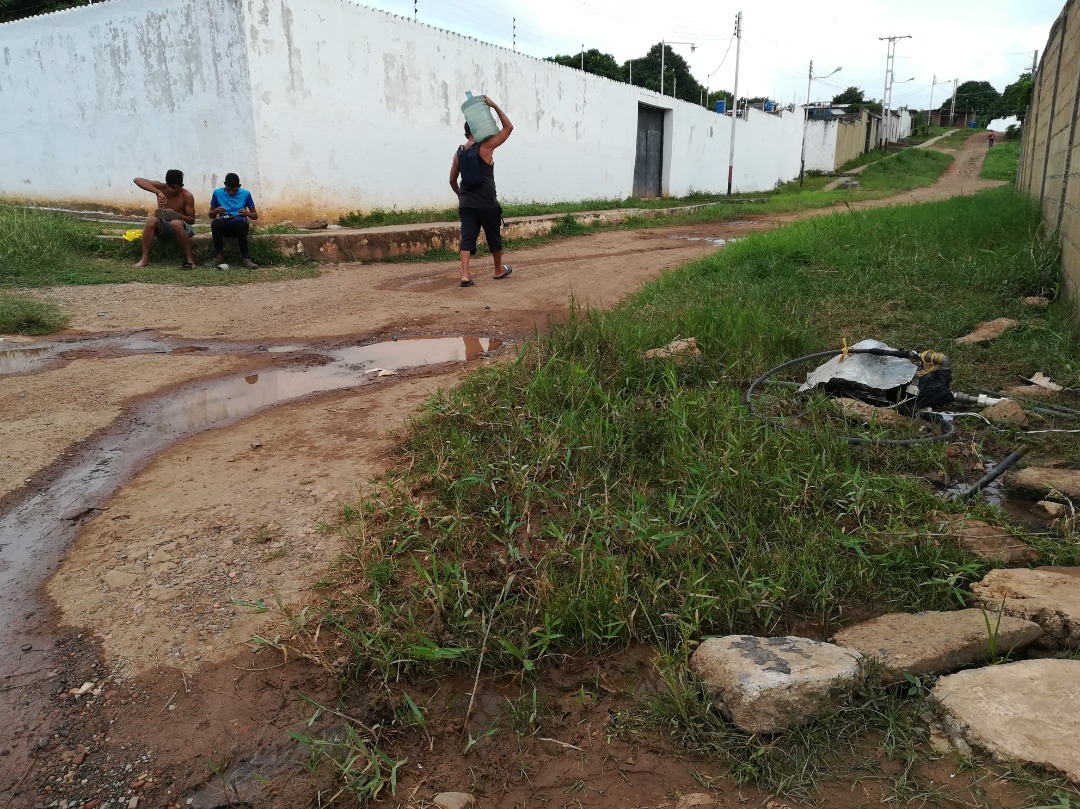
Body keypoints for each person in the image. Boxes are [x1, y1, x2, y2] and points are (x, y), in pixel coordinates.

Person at [449, 95, 514, 287]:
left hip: (467, 204)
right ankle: (498, 270)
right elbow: (509, 128)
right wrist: (494, 106)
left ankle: (465, 276)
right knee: (493, 236)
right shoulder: (486, 147)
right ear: (479, 129)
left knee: (467, 237)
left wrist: (462, 197)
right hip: (487, 202)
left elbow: (452, 180)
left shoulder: (459, 153)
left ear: (465, 133)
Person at [133, 170, 197, 269]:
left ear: (181, 185)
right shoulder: (161, 188)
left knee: (175, 223)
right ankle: (145, 259)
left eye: (174, 188)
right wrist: (158, 192)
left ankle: (190, 259)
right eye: (169, 186)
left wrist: (176, 215)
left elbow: (192, 220)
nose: (171, 190)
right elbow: (137, 180)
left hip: (181, 226)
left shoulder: (187, 196)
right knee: (151, 220)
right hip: (164, 225)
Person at [206, 173, 259, 269]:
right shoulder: (217, 193)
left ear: (239, 186)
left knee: (239, 222)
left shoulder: (245, 194)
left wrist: (247, 213)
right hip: (224, 224)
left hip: (239, 226)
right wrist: (215, 211)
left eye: (234, 190)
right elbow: (211, 215)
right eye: (228, 189)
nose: (231, 193)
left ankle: (245, 258)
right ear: (224, 185)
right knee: (216, 222)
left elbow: (255, 216)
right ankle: (219, 257)